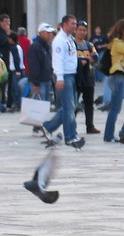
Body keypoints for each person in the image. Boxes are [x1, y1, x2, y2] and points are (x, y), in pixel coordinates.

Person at [43, 15, 82, 145]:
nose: (75, 26)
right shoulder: (59, 40)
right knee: (69, 107)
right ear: (65, 24)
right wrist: (59, 78)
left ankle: (48, 126)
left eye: (75, 24)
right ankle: (70, 136)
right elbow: (58, 60)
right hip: (64, 75)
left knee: (70, 106)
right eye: (72, 24)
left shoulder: (69, 39)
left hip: (71, 74)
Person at [73, 20, 99, 134]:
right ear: (76, 30)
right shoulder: (71, 43)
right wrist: (84, 60)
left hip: (88, 76)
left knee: (89, 103)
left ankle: (90, 126)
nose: (82, 32)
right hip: (76, 76)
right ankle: (71, 126)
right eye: (80, 30)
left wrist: (88, 59)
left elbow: (95, 56)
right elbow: (72, 58)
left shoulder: (89, 45)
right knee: (73, 103)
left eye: (84, 30)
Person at [26, 23, 54, 102]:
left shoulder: (47, 47)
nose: (50, 35)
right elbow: (33, 66)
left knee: (45, 106)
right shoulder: (35, 47)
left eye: (51, 33)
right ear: (41, 33)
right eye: (47, 33)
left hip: (47, 80)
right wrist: (36, 83)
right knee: (38, 107)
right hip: (39, 82)